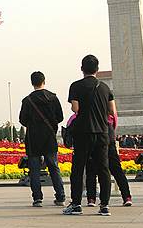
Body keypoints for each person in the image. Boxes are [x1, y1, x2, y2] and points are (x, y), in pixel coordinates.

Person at [63, 54, 116, 216]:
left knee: (78, 168)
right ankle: (105, 205)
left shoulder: (76, 86)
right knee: (103, 169)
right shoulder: (105, 88)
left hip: (83, 133)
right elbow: (112, 111)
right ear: (97, 69)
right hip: (102, 132)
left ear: (81, 69)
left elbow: (75, 109)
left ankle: (76, 204)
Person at [18, 71, 65, 207]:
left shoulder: (27, 100)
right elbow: (60, 117)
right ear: (44, 81)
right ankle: (60, 196)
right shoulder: (53, 97)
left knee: (34, 169)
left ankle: (37, 198)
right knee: (53, 167)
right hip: (49, 137)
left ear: (32, 83)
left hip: (33, 138)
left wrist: (34, 125)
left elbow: (22, 120)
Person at [85, 115, 133, 207]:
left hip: (92, 130)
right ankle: (126, 197)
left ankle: (91, 198)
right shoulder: (106, 105)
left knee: (91, 170)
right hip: (107, 130)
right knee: (116, 169)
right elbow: (114, 116)